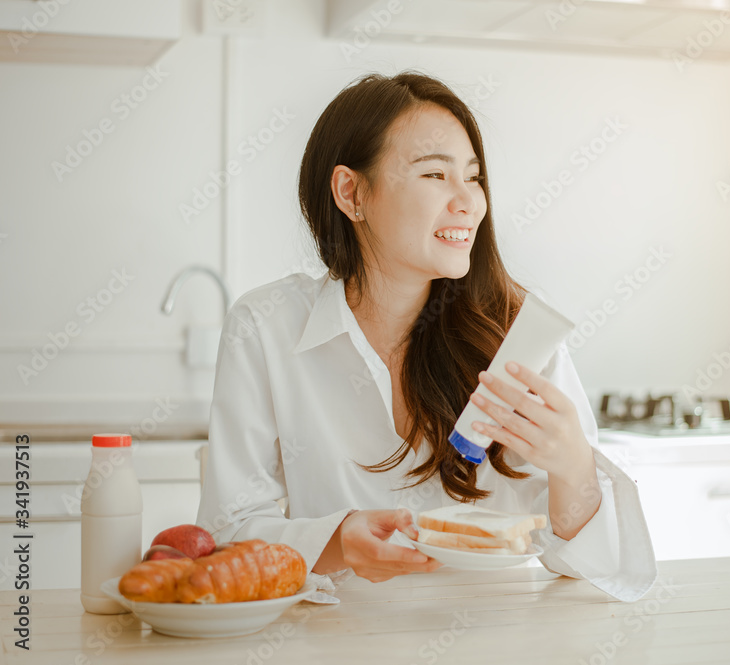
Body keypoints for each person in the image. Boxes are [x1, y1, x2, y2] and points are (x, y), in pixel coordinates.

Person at [196, 70, 656, 602]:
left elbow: (588, 567)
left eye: (474, 177)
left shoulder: (516, 332)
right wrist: (336, 542)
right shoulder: (266, 326)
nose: (469, 202)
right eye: (436, 175)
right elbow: (228, 532)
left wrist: (574, 467)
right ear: (351, 192)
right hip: (336, 644)